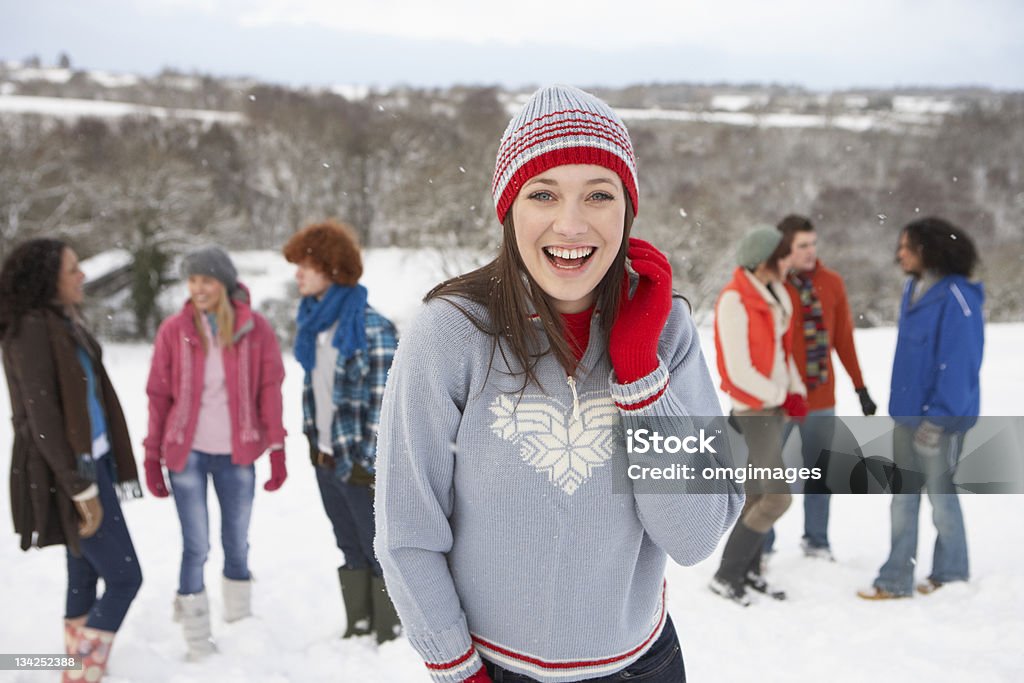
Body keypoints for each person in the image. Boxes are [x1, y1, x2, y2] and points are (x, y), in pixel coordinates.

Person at [375, 85, 743, 683]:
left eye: (598, 194)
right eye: (543, 193)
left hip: (641, 666)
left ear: (627, 210)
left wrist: (639, 373)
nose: (571, 224)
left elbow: (695, 536)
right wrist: (457, 668)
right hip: (495, 669)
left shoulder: (666, 328)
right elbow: (407, 531)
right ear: (508, 209)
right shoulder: (451, 333)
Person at [1, 239, 143, 682]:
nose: (82, 275)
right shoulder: (30, 329)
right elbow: (42, 417)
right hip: (71, 472)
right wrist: (79, 486)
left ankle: (73, 666)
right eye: (73, 269)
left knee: (83, 570)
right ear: (48, 280)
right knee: (124, 578)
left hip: (92, 462)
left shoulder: (62, 321)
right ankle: (81, 671)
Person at [144, 246, 287, 659]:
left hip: (236, 453)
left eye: (205, 280)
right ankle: (195, 636)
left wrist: (276, 449)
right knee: (196, 545)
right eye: (191, 281)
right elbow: (158, 395)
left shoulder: (253, 329)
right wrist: (152, 457)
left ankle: (241, 627)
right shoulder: (174, 330)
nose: (197, 288)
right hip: (185, 453)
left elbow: (269, 389)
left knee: (237, 542)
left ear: (223, 284)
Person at [281, 220, 401, 644]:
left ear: (332, 269)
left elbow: (386, 410)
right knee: (346, 542)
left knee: (377, 549)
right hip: (326, 456)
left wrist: (367, 464)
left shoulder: (372, 329)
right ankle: (360, 622)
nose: (297, 273)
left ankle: (389, 629)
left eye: (305, 265)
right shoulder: (313, 325)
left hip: (360, 463)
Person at [858, 217, 983, 600]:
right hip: (906, 415)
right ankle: (896, 577)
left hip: (939, 420)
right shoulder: (912, 288)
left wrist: (938, 420)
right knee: (902, 498)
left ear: (929, 249)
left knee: (941, 499)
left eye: (906, 247)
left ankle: (951, 574)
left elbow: (959, 363)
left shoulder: (959, 296)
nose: (900, 254)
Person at [769, 214, 877, 560]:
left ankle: (816, 541)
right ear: (785, 247)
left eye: (813, 244)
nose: (811, 251)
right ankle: (761, 544)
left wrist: (860, 387)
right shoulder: (772, 283)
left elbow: (843, 339)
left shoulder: (832, 282)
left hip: (821, 398)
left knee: (819, 473)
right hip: (780, 399)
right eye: (803, 246)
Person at [710, 226, 808, 605]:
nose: (788, 262)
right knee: (777, 497)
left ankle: (748, 571)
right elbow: (739, 370)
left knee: (755, 495)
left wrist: (794, 390)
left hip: (775, 406)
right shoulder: (735, 300)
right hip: (754, 410)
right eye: (782, 256)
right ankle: (726, 573)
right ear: (764, 259)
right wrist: (781, 396)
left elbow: (782, 355)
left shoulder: (776, 294)